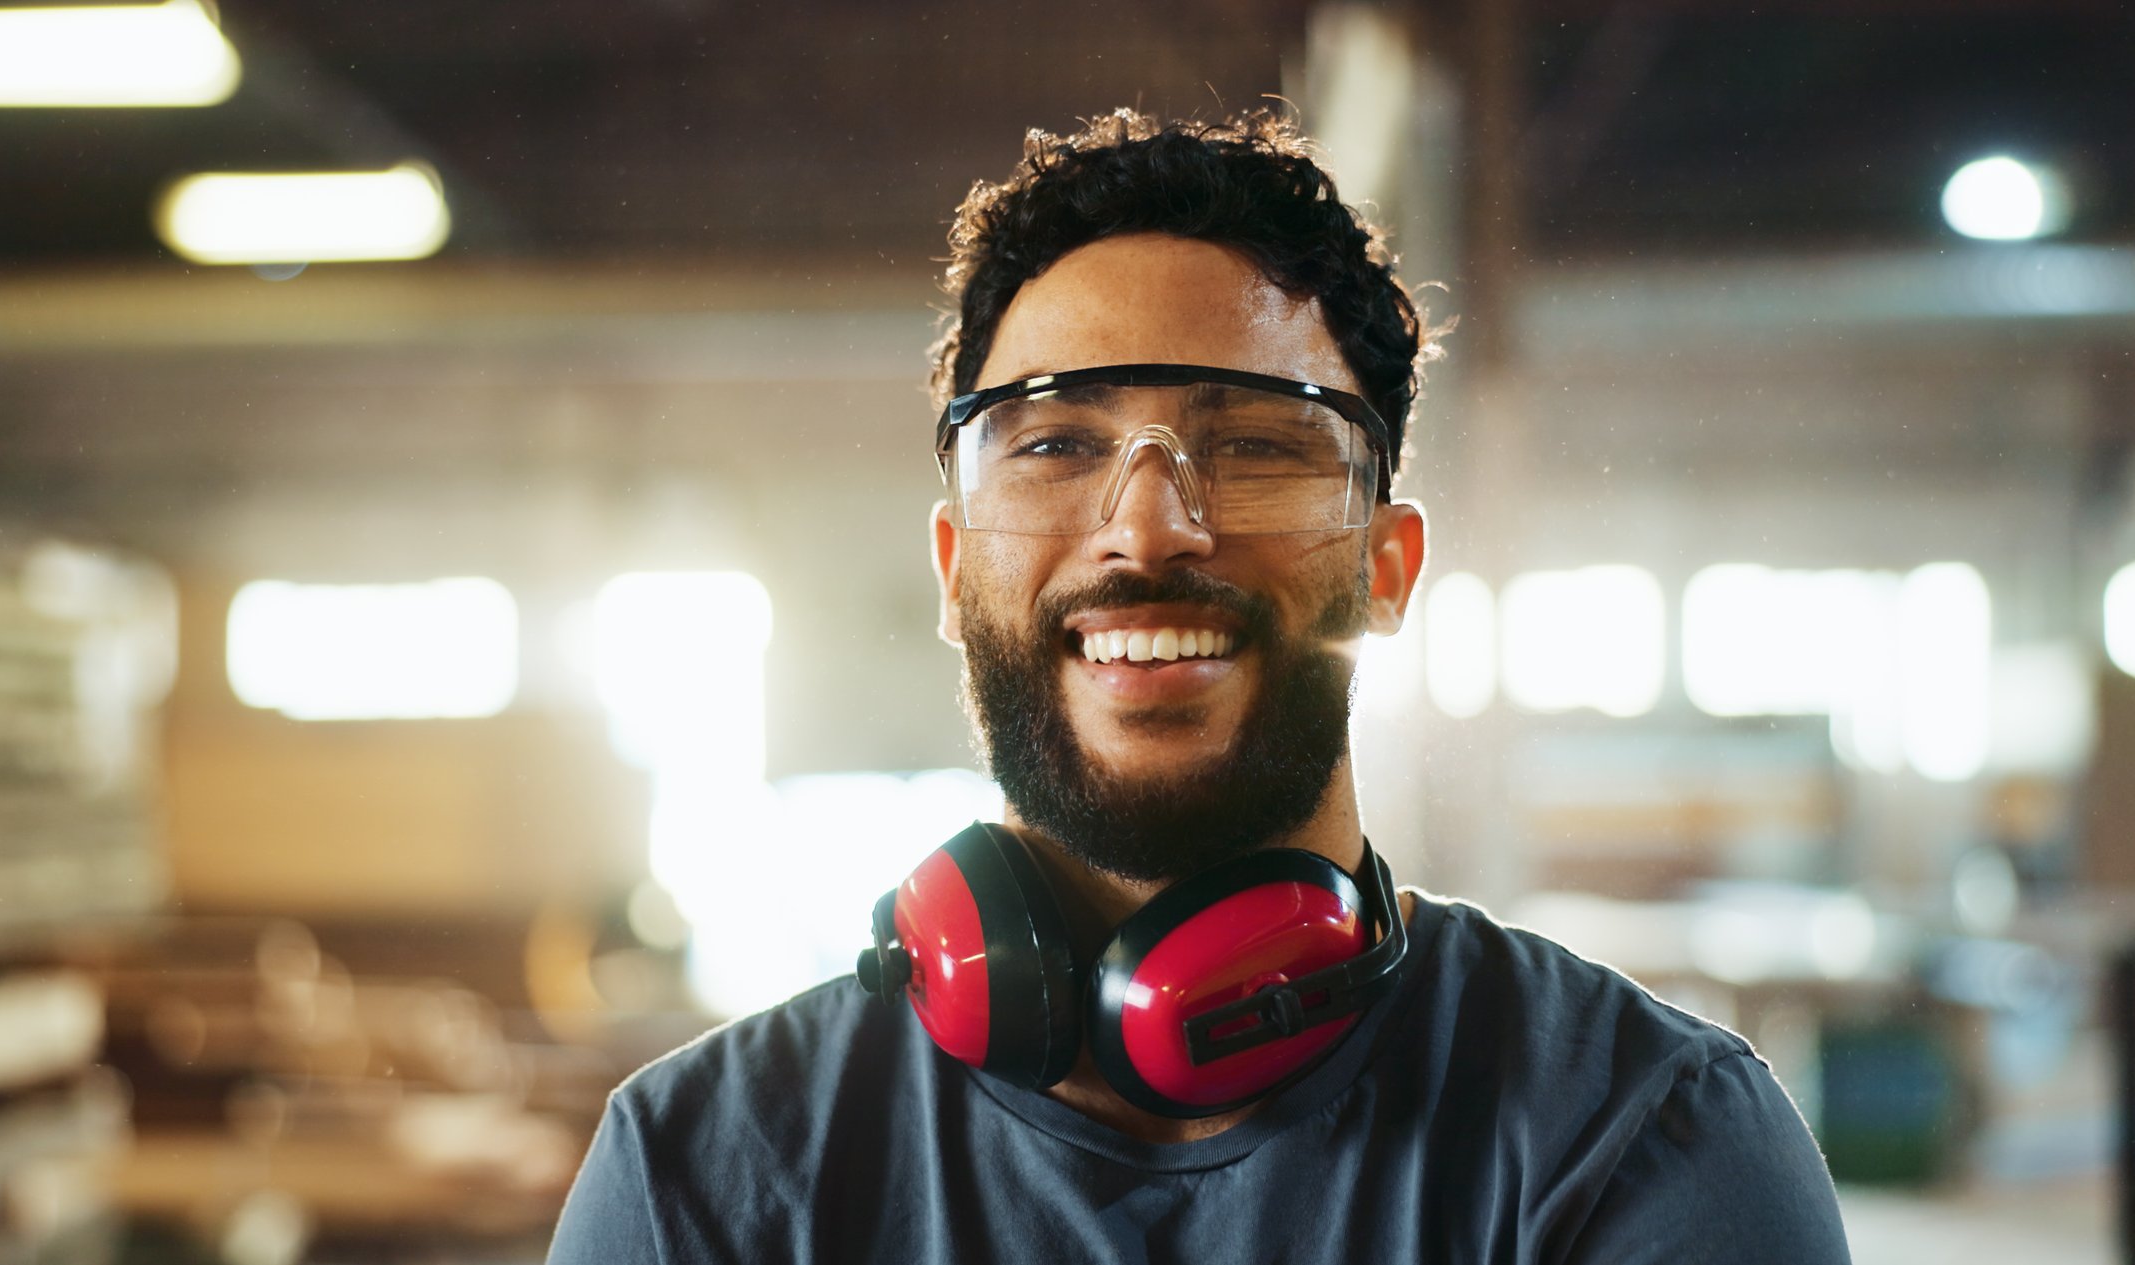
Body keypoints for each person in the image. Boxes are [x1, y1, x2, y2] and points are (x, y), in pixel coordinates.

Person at [547, 110, 1851, 1263]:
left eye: (1255, 444)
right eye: (1058, 442)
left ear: (1386, 568)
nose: (1151, 527)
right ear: (953, 570)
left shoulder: (1635, 1140)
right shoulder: (707, 1176)